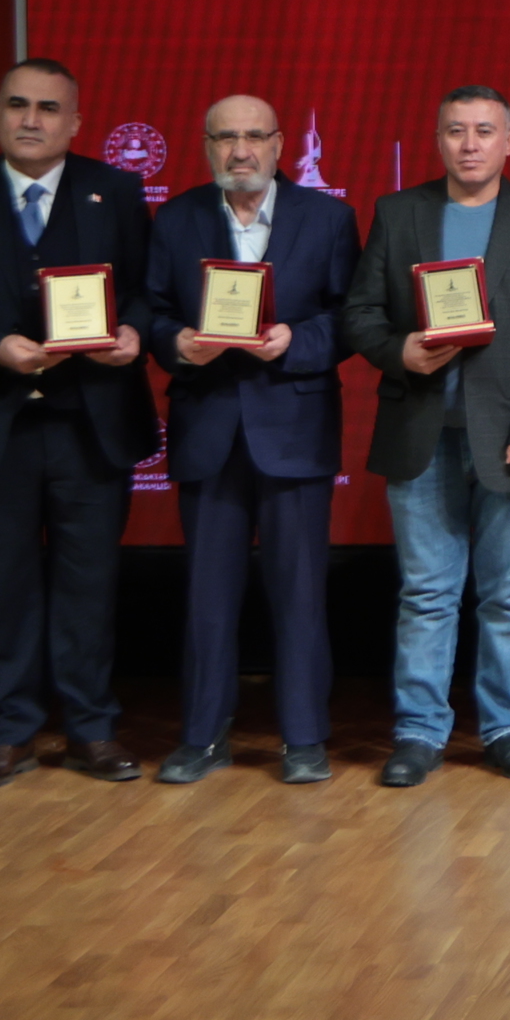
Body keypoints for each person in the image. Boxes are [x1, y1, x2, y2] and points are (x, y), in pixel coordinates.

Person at [0, 59, 153, 789]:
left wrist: (134, 333)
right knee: (1, 584)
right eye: (18, 104)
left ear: (76, 123)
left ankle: (91, 729)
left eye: (49, 108)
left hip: (91, 423)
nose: (32, 119)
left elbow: (145, 290)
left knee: (89, 583)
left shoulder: (119, 191)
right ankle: (9, 730)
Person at [345, 84, 510, 788]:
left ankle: (507, 727)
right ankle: (418, 731)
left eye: (484, 130)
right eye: (455, 131)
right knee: (427, 593)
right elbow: (359, 314)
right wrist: (399, 350)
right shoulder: (399, 213)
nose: (469, 144)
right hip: (423, 431)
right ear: (438, 140)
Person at [145, 96, 358, 785]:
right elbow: (149, 311)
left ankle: (304, 738)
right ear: (207, 146)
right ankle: (204, 736)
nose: (241, 150)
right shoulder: (175, 219)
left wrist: (296, 340)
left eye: (254, 136)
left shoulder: (327, 218)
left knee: (299, 592)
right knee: (208, 594)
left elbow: (349, 317)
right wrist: (174, 341)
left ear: (280, 144)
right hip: (208, 425)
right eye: (226, 137)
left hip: (293, 428)